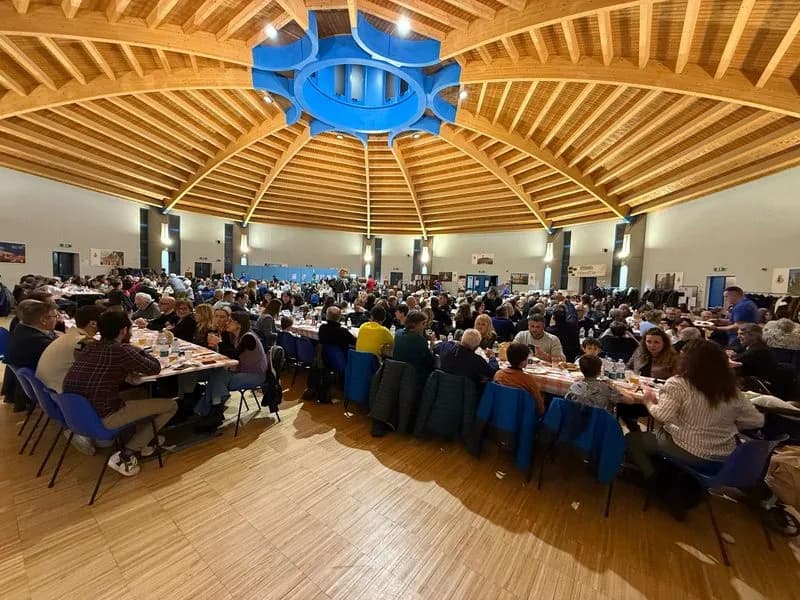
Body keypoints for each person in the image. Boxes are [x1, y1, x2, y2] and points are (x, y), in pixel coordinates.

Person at [626, 340, 764, 513]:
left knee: (633, 440)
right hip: (724, 457)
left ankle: (655, 482)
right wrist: (732, 421)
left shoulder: (680, 383)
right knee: (659, 435)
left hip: (688, 449)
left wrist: (648, 400)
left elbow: (662, 415)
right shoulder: (731, 390)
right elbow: (757, 420)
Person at [62, 311, 177, 477]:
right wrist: (137, 349)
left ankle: (144, 440)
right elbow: (154, 367)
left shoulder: (90, 346)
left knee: (140, 393)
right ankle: (127, 453)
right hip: (103, 415)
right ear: (124, 330)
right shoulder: (121, 350)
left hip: (75, 411)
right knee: (171, 405)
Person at [200, 312, 268, 421]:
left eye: (230, 321)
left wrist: (219, 342)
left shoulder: (248, 337)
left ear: (239, 325)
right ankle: (213, 410)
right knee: (217, 375)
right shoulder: (237, 336)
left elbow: (234, 355)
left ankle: (212, 411)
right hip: (243, 371)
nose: (227, 323)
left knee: (218, 378)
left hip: (255, 375)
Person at [494, 342, 545, 414]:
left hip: (499, 412)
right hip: (522, 416)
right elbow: (540, 409)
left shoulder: (498, 374)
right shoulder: (528, 379)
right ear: (523, 362)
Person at [392, 312, 436, 394]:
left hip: (396, 373)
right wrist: (432, 346)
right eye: (423, 323)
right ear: (414, 324)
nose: (425, 326)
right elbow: (430, 362)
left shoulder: (398, 333)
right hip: (414, 377)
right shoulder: (420, 340)